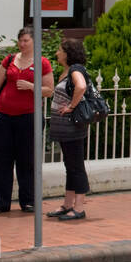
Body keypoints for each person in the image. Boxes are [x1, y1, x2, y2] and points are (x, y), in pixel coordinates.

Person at [0, 28, 53, 215]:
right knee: (2, 160)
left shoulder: (42, 62)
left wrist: (31, 86)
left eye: (26, 40)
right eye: (20, 40)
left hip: (29, 116)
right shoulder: (9, 60)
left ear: (34, 42)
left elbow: (49, 90)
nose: (22, 44)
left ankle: (28, 201)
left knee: (27, 160)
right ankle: (1, 202)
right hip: (3, 115)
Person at [47, 39, 91, 220]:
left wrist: (71, 107)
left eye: (60, 50)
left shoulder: (75, 69)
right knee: (70, 165)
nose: (57, 53)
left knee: (76, 166)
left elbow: (81, 86)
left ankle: (79, 207)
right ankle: (67, 204)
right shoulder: (67, 70)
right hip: (65, 128)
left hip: (72, 126)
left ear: (68, 53)